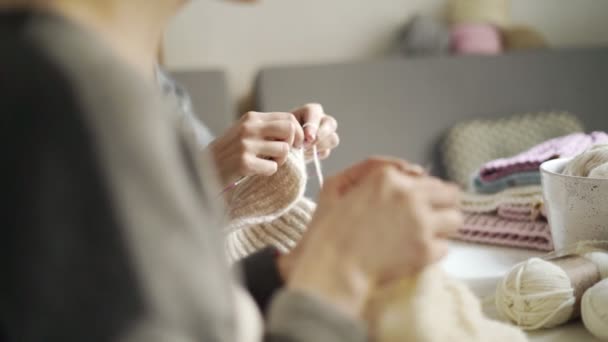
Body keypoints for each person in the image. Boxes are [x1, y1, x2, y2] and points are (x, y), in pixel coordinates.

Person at [0, 1, 462, 341]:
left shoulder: (103, 81)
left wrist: (292, 268)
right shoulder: (62, 107)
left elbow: (172, 310)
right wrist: (340, 270)